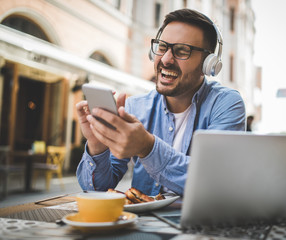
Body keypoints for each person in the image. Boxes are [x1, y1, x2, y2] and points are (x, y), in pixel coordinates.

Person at [76, 8, 246, 196]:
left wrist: (147, 147)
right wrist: (97, 146)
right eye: (163, 47)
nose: (165, 59)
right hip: (143, 224)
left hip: (201, 223)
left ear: (209, 64)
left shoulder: (226, 104)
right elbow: (96, 190)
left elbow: (214, 180)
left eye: (182, 51)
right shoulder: (135, 107)